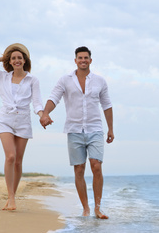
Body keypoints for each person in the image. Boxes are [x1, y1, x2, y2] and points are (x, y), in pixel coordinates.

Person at [40, 46, 114, 219]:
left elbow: (107, 105)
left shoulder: (100, 81)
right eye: (80, 58)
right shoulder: (65, 80)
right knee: (79, 169)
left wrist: (110, 128)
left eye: (86, 58)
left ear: (90, 60)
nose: (83, 60)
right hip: (74, 129)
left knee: (96, 166)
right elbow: (54, 98)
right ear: (75, 60)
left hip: (95, 128)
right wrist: (45, 113)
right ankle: (86, 208)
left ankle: (98, 207)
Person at [0, 43, 43, 210]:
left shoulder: (32, 79)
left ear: (25, 60)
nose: (16, 60)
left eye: (19, 58)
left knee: (18, 162)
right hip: (5, 119)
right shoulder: (2, 76)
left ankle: (11, 197)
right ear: (10, 60)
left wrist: (43, 115)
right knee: (10, 157)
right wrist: (3, 57)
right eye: (13, 58)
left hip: (23, 121)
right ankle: (11, 198)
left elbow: (36, 103)